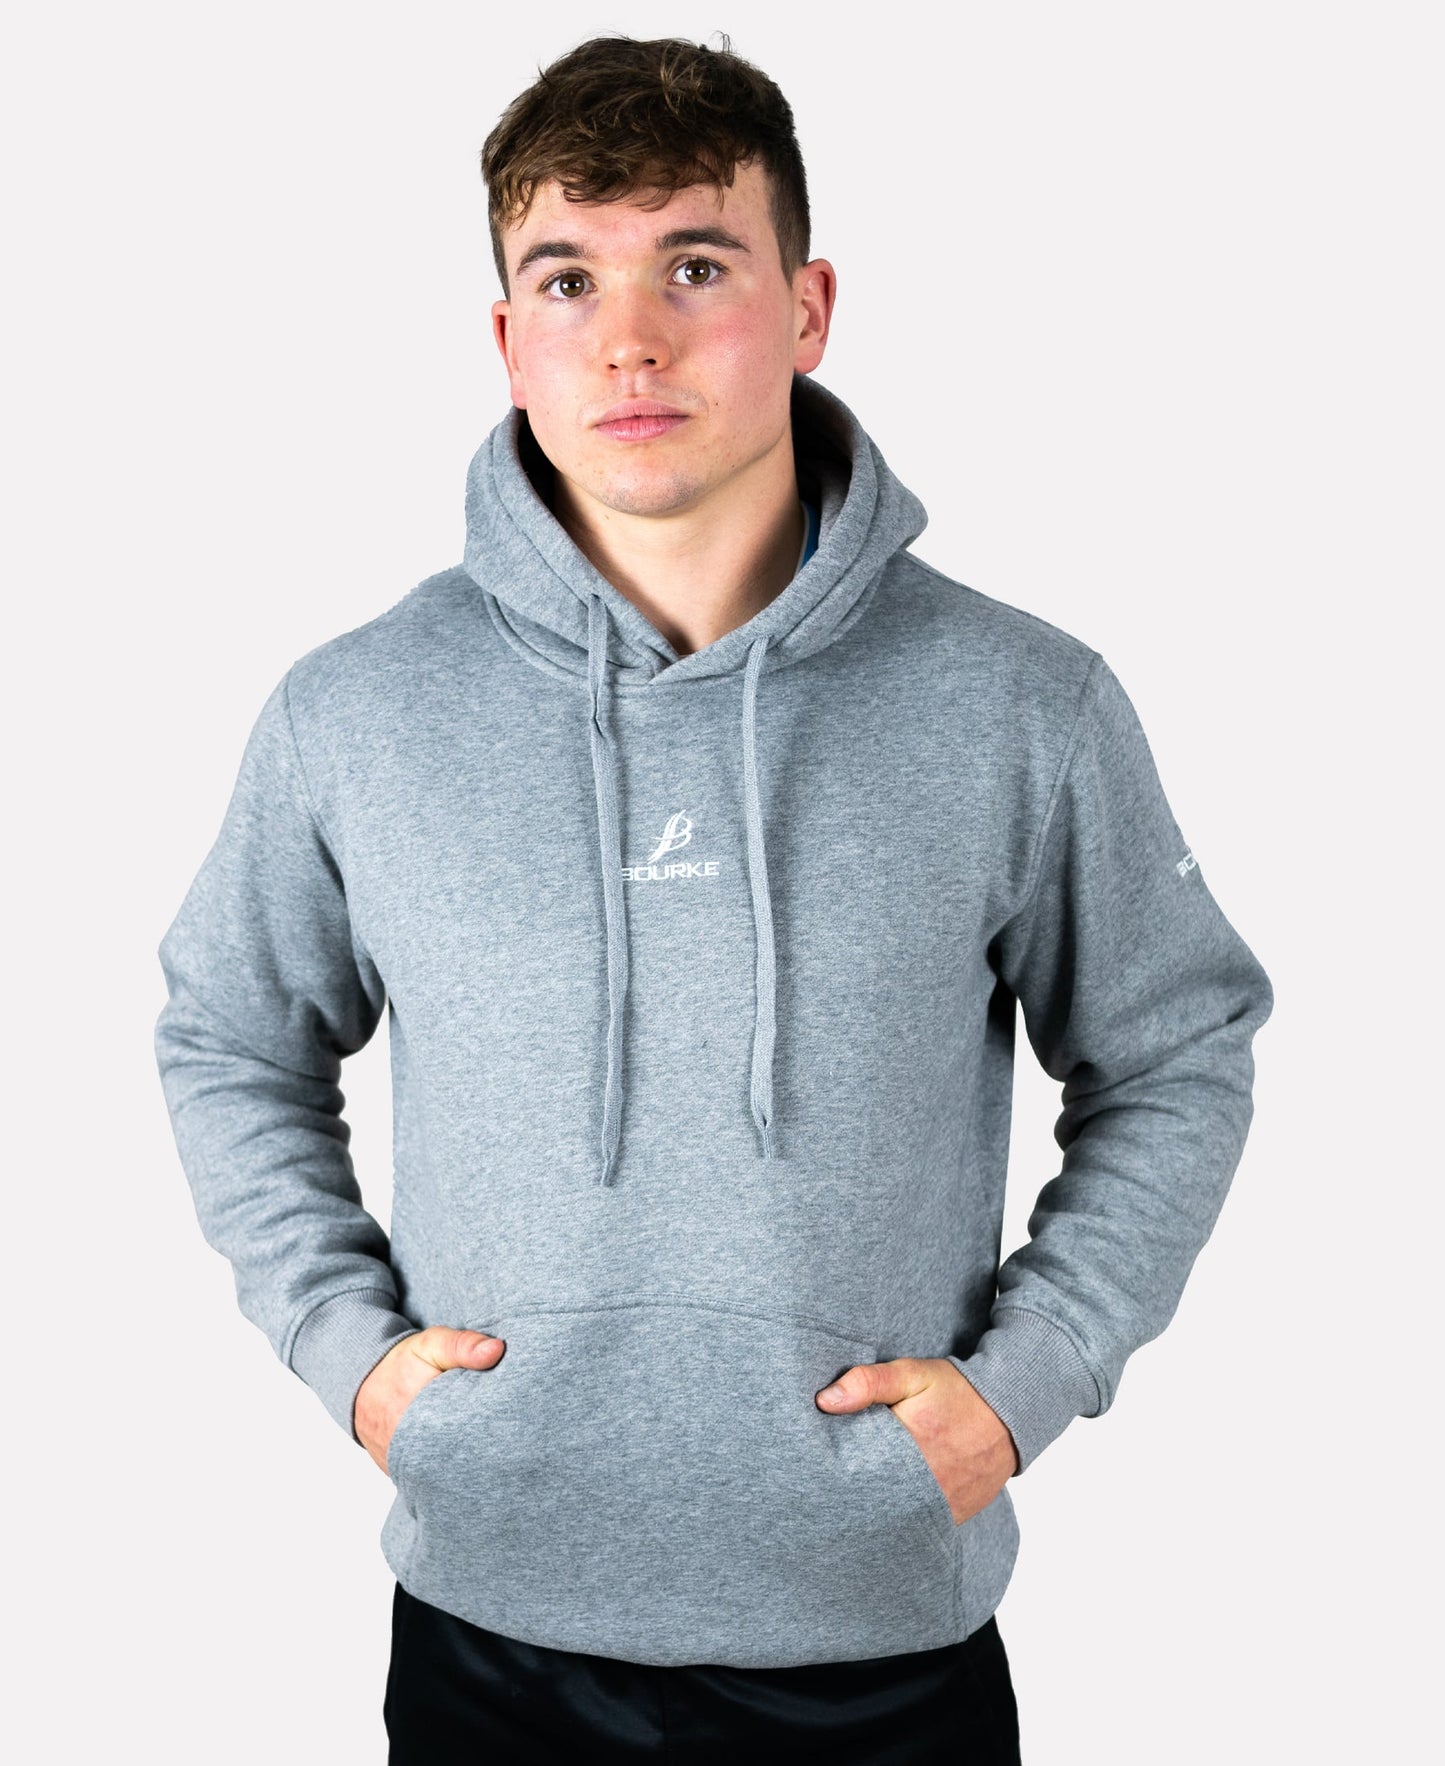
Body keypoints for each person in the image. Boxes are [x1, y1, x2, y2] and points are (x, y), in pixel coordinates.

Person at [153, 32, 1274, 1765]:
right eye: (567, 279)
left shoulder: (1018, 703)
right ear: (505, 337)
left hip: (880, 1643)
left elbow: (1176, 1048)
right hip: (490, 1637)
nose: (630, 338)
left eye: (694, 265)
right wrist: (342, 1347)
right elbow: (230, 1038)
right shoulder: (354, 713)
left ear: (807, 306)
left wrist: (1028, 1378)